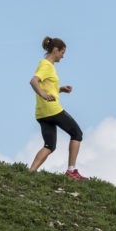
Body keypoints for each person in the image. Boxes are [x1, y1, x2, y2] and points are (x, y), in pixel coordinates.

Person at [29, 36, 87, 180]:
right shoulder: (46, 65)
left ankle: (30, 172)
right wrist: (43, 95)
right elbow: (33, 81)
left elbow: (46, 86)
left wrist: (60, 89)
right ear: (56, 50)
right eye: (62, 52)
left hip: (42, 113)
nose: (63, 56)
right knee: (77, 133)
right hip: (52, 110)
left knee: (49, 146)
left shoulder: (46, 66)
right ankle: (71, 171)